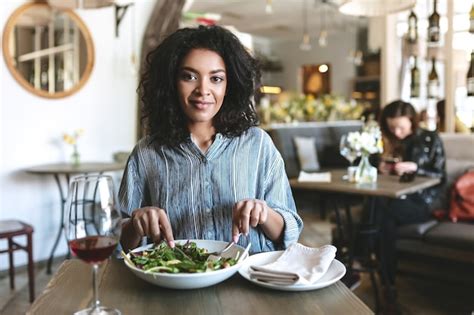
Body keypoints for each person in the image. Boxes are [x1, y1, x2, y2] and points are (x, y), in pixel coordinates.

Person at [118, 25, 303, 253]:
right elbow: (120, 242)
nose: (203, 90)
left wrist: (264, 213)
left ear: (230, 85)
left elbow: (289, 231)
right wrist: (136, 224)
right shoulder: (146, 153)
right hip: (174, 283)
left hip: (249, 280)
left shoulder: (258, 144)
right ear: (171, 83)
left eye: (216, 79)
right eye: (189, 76)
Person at [376, 100, 446, 287]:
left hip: (427, 201)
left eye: (400, 127)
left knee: (381, 211)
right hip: (400, 198)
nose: (396, 132)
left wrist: (416, 168)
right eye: (392, 128)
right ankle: (387, 283)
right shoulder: (395, 142)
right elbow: (397, 177)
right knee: (383, 215)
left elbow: (440, 175)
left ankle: (363, 261)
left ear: (412, 121)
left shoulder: (431, 138)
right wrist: (386, 168)